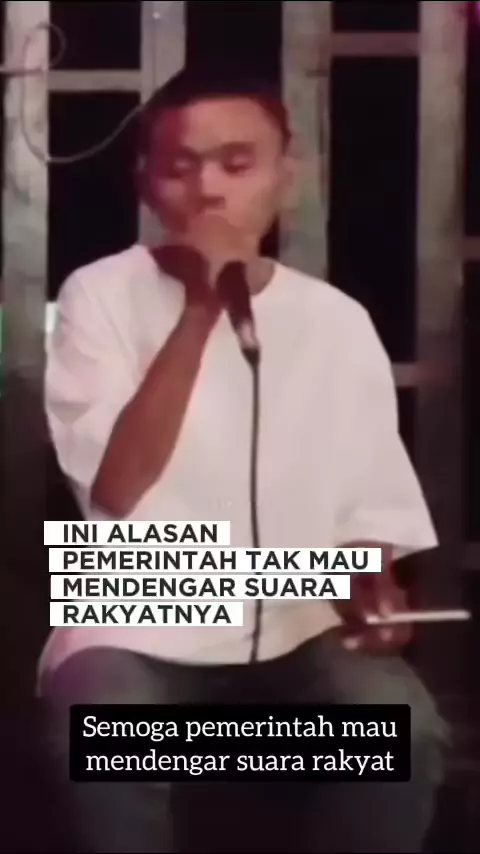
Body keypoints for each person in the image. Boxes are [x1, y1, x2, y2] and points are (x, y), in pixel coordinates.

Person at [40, 68, 448, 853]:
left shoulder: (336, 320)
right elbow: (117, 492)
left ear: (285, 176)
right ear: (147, 184)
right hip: (140, 602)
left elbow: (369, 515)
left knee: (402, 730)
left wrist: (374, 590)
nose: (209, 190)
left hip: (298, 614)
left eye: (237, 163)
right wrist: (203, 307)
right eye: (181, 167)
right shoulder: (99, 294)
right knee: (101, 722)